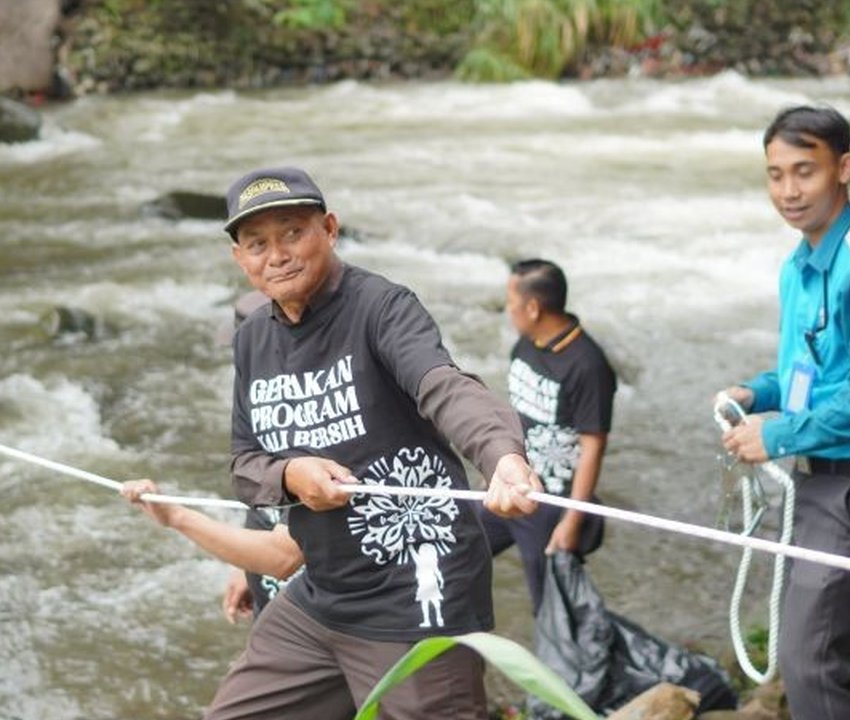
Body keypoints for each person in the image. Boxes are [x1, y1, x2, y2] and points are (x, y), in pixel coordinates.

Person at [214, 166, 542, 719]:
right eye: (257, 244)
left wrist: (502, 457)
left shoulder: (382, 308)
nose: (278, 255)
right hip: (322, 594)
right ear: (240, 259)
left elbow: (444, 386)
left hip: (418, 598)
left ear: (330, 229)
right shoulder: (251, 340)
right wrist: (291, 475)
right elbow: (247, 463)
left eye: (293, 232)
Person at [717, 105, 850, 719]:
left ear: (844, 168)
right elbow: (807, 375)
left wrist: (777, 434)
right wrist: (758, 395)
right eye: (775, 174)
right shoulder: (799, 265)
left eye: (804, 171)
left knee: (812, 660)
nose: (788, 190)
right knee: (808, 658)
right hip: (821, 484)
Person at [480, 259, 616, 613]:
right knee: (454, 546)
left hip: (551, 505)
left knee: (551, 608)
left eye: (511, 304)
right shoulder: (525, 345)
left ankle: (563, 667)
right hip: (513, 484)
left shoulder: (588, 366)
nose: (508, 311)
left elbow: (593, 446)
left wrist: (572, 521)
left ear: (533, 307)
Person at [120, 479, 303, 612]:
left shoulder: (321, 453)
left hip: (312, 630)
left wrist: (174, 516)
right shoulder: (255, 442)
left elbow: (280, 558)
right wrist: (246, 565)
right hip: (272, 617)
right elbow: (265, 505)